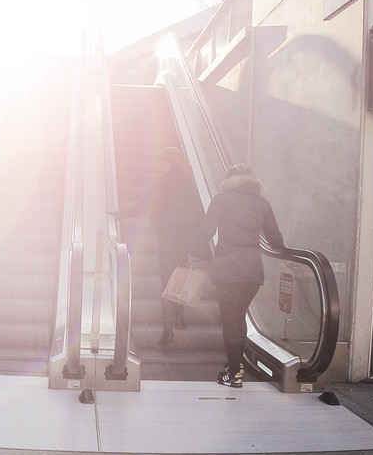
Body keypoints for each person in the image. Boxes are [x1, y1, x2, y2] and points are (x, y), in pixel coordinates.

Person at [191, 163, 286, 388]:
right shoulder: (263, 204)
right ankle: (234, 366)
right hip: (252, 273)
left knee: (230, 321)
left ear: (229, 180)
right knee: (238, 318)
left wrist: (191, 253)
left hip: (227, 271)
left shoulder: (222, 200)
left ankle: (234, 374)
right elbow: (275, 240)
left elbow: (206, 231)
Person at [118, 147, 206, 345]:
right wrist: (202, 241)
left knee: (167, 279)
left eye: (162, 161)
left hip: (168, 235)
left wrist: (121, 214)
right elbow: (201, 212)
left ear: (170, 163)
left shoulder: (161, 182)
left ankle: (168, 332)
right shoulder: (191, 183)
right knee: (183, 274)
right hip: (189, 235)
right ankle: (180, 314)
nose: (159, 165)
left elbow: (144, 206)